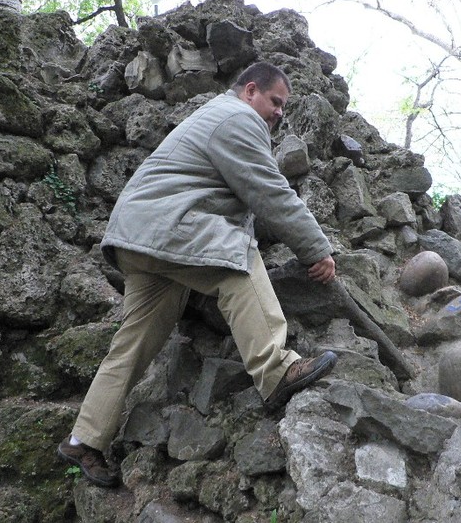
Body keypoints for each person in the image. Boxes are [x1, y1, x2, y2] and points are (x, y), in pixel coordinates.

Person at [57, 62, 338, 487]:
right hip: (167, 227)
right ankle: (277, 369)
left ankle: (84, 439)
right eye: (275, 102)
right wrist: (316, 249)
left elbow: (232, 195)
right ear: (250, 90)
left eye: (283, 107)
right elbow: (269, 191)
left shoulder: (214, 118)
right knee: (236, 258)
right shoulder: (237, 118)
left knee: (134, 341)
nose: (279, 113)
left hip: (140, 237)